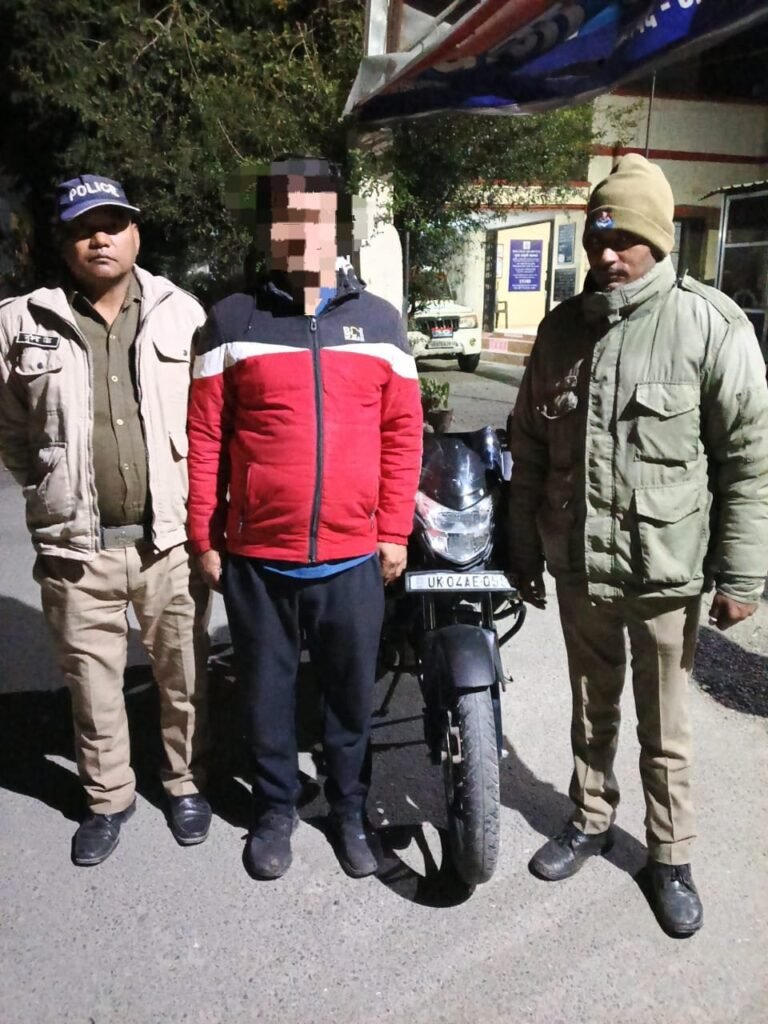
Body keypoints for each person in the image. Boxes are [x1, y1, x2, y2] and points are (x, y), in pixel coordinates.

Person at [507, 154, 768, 936]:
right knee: (592, 709)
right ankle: (589, 818)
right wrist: (522, 550)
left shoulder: (709, 325)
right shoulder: (561, 331)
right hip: (579, 566)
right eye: (596, 239)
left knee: (666, 729)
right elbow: (528, 449)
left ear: (658, 238)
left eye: (622, 238)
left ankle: (670, 856)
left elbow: (748, 460)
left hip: (664, 572)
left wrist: (743, 575)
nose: (607, 254)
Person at [187, 157, 423, 880]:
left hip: (352, 558)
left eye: (314, 217)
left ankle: (349, 812)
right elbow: (205, 437)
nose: (300, 233)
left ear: (336, 226)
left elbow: (402, 433)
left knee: (350, 700)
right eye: (284, 219)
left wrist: (393, 530)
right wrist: (204, 534)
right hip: (259, 558)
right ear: (268, 231)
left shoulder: (379, 322)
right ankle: (274, 811)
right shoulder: (231, 321)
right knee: (266, 696)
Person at [0, 174, 212, 865]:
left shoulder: (183, 313)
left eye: (113, 224)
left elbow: (210, 422)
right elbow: (10, 430)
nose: (100, 238)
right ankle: (107, 797)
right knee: (92, 687)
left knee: (184, 678)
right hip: (76, 548)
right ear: (64, 243)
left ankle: (183, 783)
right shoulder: (20, 322)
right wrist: (48, 489)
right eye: (83, 228)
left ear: (136, 235)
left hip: (170, 543)